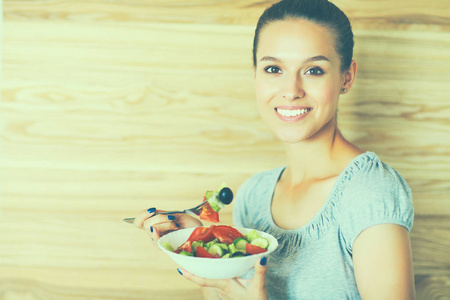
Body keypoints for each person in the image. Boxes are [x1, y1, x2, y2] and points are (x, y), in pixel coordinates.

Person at [132, 0, 416, 299]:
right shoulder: (253, 195)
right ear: (255, 74)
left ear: (347, 77)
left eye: (314, 70)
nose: (291, 89)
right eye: (273, 68)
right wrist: (201, 243)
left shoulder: (370, 190)